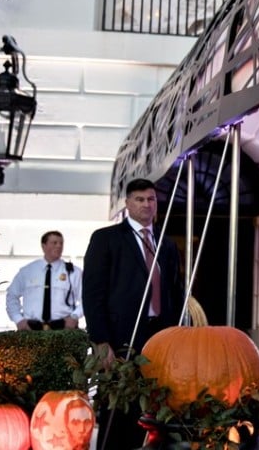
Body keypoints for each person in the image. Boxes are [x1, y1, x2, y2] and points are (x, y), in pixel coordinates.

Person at [83, 177, 183, 449]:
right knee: (118, 411)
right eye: (139, 199)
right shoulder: (106, 239)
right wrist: (101, 341)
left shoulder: (166, 243)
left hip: (160, 338)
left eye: (151, 199)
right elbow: (93, 294)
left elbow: (176, 292)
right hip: (119, 338)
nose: (146, 204)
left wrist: (178, 337)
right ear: (127, 204)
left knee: (155, 408)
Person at [5, 230, 83, 331]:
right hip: (32, 328)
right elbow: (12, 295)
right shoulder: (28, 271)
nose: (59, 246)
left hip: (63, 328)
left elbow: (86, 298)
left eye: (61, 243)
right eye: (54, 243)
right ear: (43, 246)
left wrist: (75, 316)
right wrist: (18, 319)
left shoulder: (73, 272)